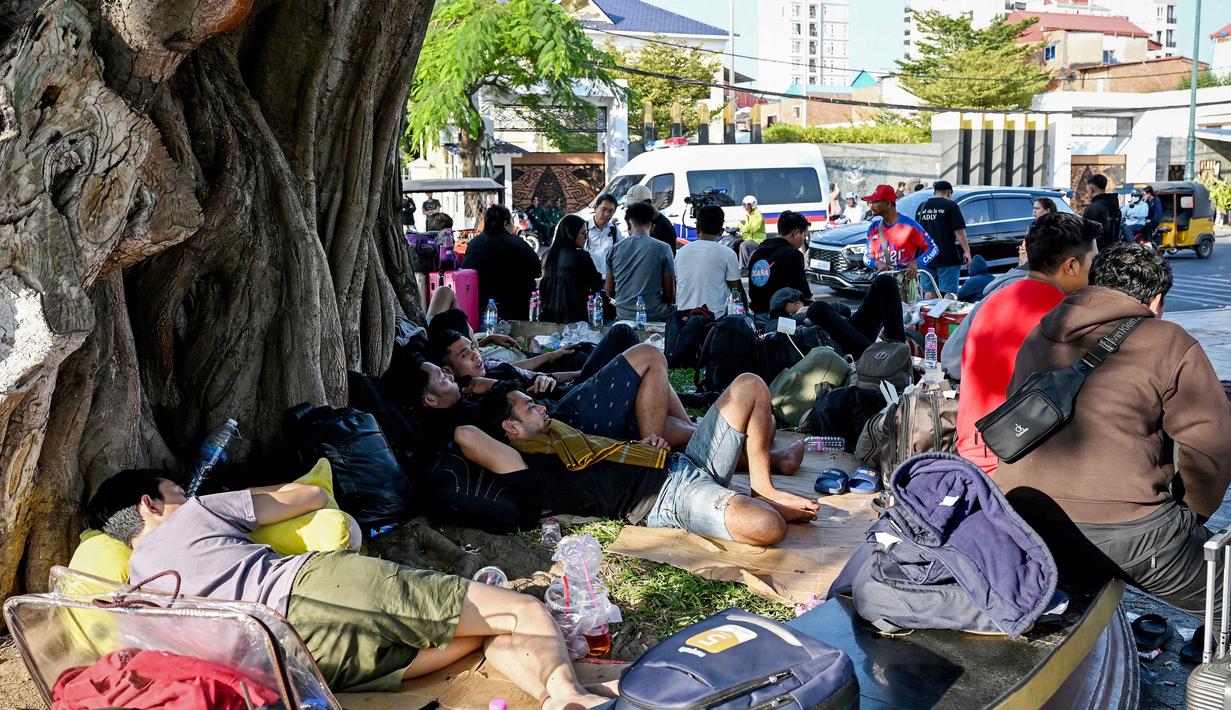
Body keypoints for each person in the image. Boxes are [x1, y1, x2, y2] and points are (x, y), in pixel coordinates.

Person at [85, 472, 603, 707]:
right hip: (314, 588)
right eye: (178, 491)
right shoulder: (198, 512)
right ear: (150, 505)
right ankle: (569, 698)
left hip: (298, 665)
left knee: (472, 635)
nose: (188, 495)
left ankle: (550, 692)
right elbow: (307, 495)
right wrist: (248, 493)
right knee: (523, 610)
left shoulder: (137, 592)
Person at [996, 243, 1231, 614]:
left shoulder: (1043, 329)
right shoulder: (1170, 341)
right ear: (1155, 301)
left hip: (1021, 520)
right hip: (1131, 533)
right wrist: (1188, 517)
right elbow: (1213, 449)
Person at [463, 374, 818, 545]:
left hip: (681, 461)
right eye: (529, 406)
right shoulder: (524, 466)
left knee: (749, 385)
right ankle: (754, 502)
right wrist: (467, 386)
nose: (540, 406)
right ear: (511, 427)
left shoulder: (559, 433)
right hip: (668, 499)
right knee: (768, 527)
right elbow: (465, 434)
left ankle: (762, 488)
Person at [954, 212, 1098, 475]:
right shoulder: (1062, 315)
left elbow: (952, 360)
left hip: (974, 450)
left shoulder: (994, 299)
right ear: (1071, 266)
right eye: (1092, 263)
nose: (1093, 275)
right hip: (1013, 460)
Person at [422, 338, 697, 448]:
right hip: (568, 418)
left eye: (473, 347)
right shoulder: (461, 412)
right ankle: (651, 451)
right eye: (442, 376)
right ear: (430, 400)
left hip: (563, 403)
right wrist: (490, 385)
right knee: (649, 354)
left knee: (689, 435)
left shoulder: (475, 386)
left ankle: (663, 439)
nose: (448, 377)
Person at [462, 204, 542, 321]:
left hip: (480, 308)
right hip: (514, 309)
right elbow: (537, 271)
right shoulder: (517, 243)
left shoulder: (474, 243)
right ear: (505, 224)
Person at [605, 201, 675, 321]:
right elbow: (669, 294)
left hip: (623, 314)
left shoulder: (614, 250)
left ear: (628, 226)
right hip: (654, 314)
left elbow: (610, 291)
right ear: (652, 227)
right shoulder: (663, 248)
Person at [674, 205, 746, 316]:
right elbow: (737, 292)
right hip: (714, 320)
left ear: (697, 228)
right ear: (721, 232)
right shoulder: (727, 254)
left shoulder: (681, 253)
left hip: (684, 318)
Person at [861, 183, 937, 279]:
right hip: (881, 283)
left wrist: (917, 263)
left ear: (887, 203)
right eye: (870, 202)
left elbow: (933, 248)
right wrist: (876, 264)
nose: (871, 206)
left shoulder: (909, 225)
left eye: (875, 202)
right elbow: (866, 256)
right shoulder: (873, 228)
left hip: (905, 286)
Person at [539, 215, 604, 323]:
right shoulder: (581, 256)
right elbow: (596, 284)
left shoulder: (547, 255)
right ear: (571, 234)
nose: (586, 237)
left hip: (548, 316)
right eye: (584, 233)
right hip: (576, 316)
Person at [747, 210, 812, 315]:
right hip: (781, 316)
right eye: (804, 235)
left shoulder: (757, 253)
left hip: (758, 312)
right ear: (796, 233)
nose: (804, 240)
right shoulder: (792, 254)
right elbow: (804, 291)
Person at [914, 180, 970, 296]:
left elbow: (917, 231)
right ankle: (946, 313)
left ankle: (930, 314)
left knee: (929, 291)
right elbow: (959, 231)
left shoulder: (922, 206)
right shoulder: (951, 205)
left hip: (926, 256)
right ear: (949, 193)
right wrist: (967, 251)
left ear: (934, 192)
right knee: (949, 292)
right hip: (947, 256)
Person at [625, 184, 678, 254]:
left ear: (647, 203)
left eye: (635, 207)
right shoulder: (637, 221)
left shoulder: (665, 227)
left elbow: (669, 258)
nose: (631, 211)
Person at [585, 194, 623, 276]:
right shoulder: (584, 229)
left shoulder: (615, 231)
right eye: (604, 209)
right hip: (587, 280)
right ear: (595, 208)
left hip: (608, 280)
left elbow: (620, 256)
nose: (606, 214)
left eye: (610, 211)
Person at [1081, 174, 1122, 250]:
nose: (1087, 194)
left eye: (1087, 191)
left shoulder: (1093, 208)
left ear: (1092, 189)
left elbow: (1087, 236)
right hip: (1113, 253)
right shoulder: (1115, 207)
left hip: (1097, 254)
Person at [737, 195, 767, 269]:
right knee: (735, 243)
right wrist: (735, 228)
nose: (746, 207)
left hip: (757, 240)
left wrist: (742, 228)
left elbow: (752, 229)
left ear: (753, 205)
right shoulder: (747, 215)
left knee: (744, 245)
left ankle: (746, 268)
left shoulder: (758, 215)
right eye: (744, 204)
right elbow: (741, 224)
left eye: (748, 205)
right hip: (749, 239)